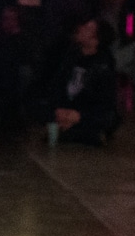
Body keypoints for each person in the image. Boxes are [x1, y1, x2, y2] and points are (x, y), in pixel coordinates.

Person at [43, 18, 119, 146]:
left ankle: (76, 132)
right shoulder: (71, 55)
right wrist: (59, 109)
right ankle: (79, 133)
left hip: (86, 111)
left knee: (107, 119)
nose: (81, 29)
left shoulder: (104, 65)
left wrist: (79, 116)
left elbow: (105, 102)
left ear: (96, 40)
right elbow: (57, 85)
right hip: (67, 107)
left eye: (88, 29)